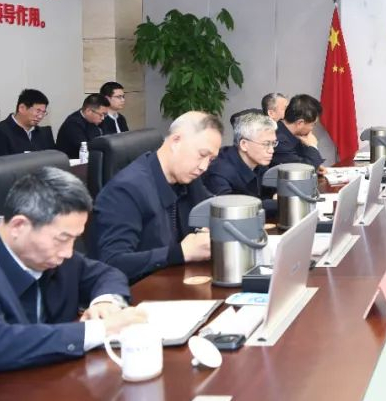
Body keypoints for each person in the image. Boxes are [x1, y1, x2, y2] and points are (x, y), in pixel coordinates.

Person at [0, 168, 145, 392]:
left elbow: (105, 274)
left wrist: (105, 302)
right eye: (63, 239)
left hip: (48, 384)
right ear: (19, 226)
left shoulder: (51, 252)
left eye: (74, 239)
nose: (68, 253)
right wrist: (100, 330)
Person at [91, 112, 221, 282]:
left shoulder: (189, 178)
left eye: (211, 159)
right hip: (137, 291)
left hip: (175, 282)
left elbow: (211, 210)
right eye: (202, 155)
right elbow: (112, 262)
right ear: (176, 141)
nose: (204, 166)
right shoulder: (125, 189)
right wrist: (181, 252)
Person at [203, 111, 278, 217]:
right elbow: (230, 210)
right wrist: (277, 203)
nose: (271, 150)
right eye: (266, 144)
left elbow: (272, 190)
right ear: (244, 144)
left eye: (273, 143)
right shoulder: (219, 171)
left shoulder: (259, 163)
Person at [0, 89, 56, 156]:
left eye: (43, 112)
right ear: (22, 108)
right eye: (38, 111)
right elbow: (0, 162)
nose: (40, 116)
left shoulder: (44, 133)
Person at [271, 94, 324, 169]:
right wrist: (313, 146)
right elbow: (302, 169)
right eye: (313, 125)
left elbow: (305, 161)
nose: (312, 129)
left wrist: (316, 165)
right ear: (300, 123)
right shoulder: (279, 139)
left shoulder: (295, 134)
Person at [54, 94, 109, 159]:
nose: (103, 118)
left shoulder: (94, 120)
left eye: (105, 115)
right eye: (101, 114)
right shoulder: (72, 124)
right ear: (88, 111)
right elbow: (86, 147)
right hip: (72, 161)